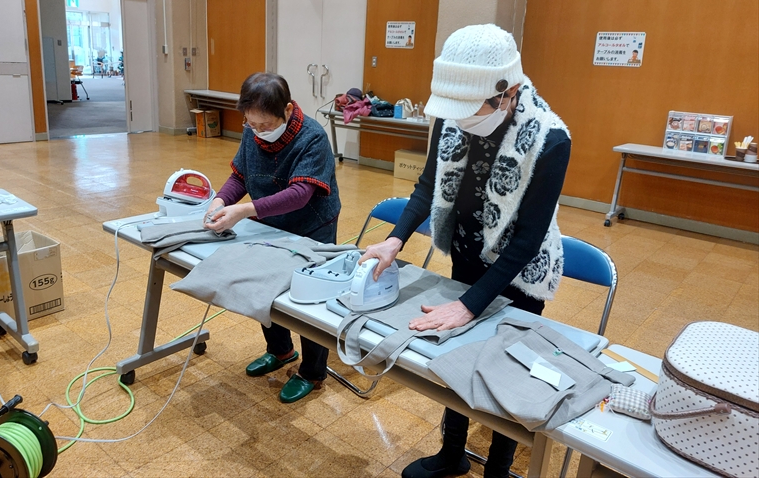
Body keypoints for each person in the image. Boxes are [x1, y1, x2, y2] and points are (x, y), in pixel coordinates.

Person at [359, 24, 571, 478]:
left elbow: (527, 241)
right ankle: (452, 452)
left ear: (507, 93)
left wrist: (469, 305)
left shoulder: (550, 140)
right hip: (468, 252)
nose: (460, 119)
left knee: (505, 368)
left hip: (520, 272)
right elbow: (427, 186)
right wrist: (395, 240)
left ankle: (498, 468)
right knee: (457, 358)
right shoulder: (453, 115)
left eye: (471, 110)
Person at [204, 72, 341, 403]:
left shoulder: (313, 138)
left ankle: (312, 371)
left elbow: (300, 194)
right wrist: (221, 200)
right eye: (251, 124)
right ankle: (280, 351)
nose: (259, 131)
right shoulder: (252, 131)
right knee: (263, 285)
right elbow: (241, 175)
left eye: (265, 124)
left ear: (288, 110)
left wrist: (243, 210)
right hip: (268, 221)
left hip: (312, 225)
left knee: (308, 298)